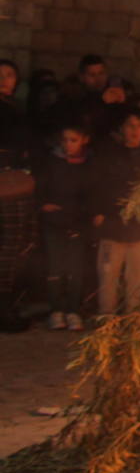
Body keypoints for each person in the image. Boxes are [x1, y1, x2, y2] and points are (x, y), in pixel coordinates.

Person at [92, 110, 140, 318]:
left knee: (136, 274)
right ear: (122, 128)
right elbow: (97, 184)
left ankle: (134, 316)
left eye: (139, 125)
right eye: (130, 125)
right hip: (113, 221)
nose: (135, 131)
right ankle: (107, 316)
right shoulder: (109, 154)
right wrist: (98, 210)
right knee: (108, 272)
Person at [35, 123, 96, 330]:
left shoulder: (89, 163)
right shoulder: (52, 162)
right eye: (65, 140)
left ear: (84, 140)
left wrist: (86, 213)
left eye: (73, 140)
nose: (68, 145)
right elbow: (40, 186)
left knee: (75, 269)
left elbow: (92, 192)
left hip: (77, 221)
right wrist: (43, 204)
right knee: (55, 267)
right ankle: (56, 310)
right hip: (54, 221)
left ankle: (73, 310)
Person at [0, 60, 33, 331]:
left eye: (9, 75)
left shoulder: (18, 110)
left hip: (14, 187)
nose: (4, 79)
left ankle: (4, 308)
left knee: (10, 249)